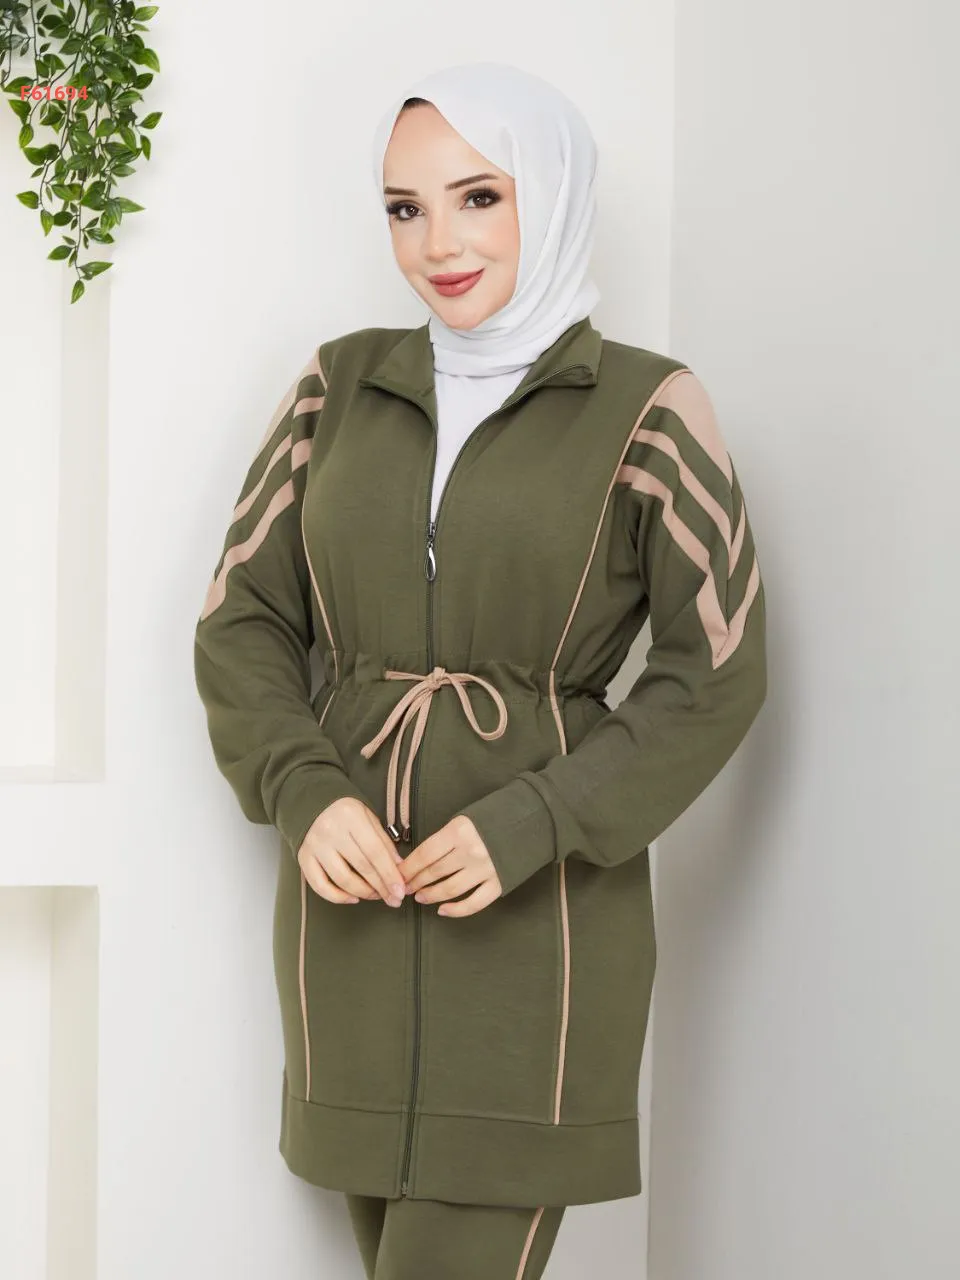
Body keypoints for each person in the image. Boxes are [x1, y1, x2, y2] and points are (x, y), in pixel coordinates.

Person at [193, 60, 767, 1280]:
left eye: (479, 197)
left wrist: (537, 819)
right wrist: (303, 789)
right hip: (346, 921)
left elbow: (714, 669)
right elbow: (242, 616)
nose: (438, 244)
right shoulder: (336, 388)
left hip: (535, 934)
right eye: (405, 208)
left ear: (548, 194)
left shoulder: (650, 408)